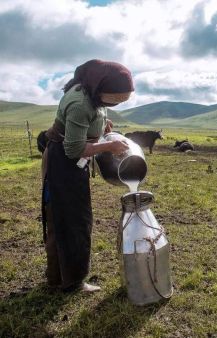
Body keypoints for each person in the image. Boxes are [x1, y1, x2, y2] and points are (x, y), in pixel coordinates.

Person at [41, 59, 133, 292]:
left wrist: (102, 125)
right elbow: (73, 150)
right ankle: (69, 282)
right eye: (118, 98)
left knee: (73, 220)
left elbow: (94, 116)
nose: (122, 102)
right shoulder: (80, 103)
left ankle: (61, 279)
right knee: (69, 221)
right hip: (63, 164)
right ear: (101, 87)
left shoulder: (93, 95)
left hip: (70, 165)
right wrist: (109, 147)